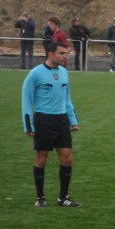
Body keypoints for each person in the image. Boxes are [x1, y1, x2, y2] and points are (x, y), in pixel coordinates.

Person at [21, 41, 81, 208]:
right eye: (61, 53)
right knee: (41, 158)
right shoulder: (35, 73)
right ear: (51, 54)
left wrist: (73, 119)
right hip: (43, 120)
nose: (65, 56)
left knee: (67, 157)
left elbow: (67, 98)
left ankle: (63, 197)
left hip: (61, 120)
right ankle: (40, 198)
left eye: (66, 53)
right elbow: (26, 100)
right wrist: (28, 125)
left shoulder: (64, 72)